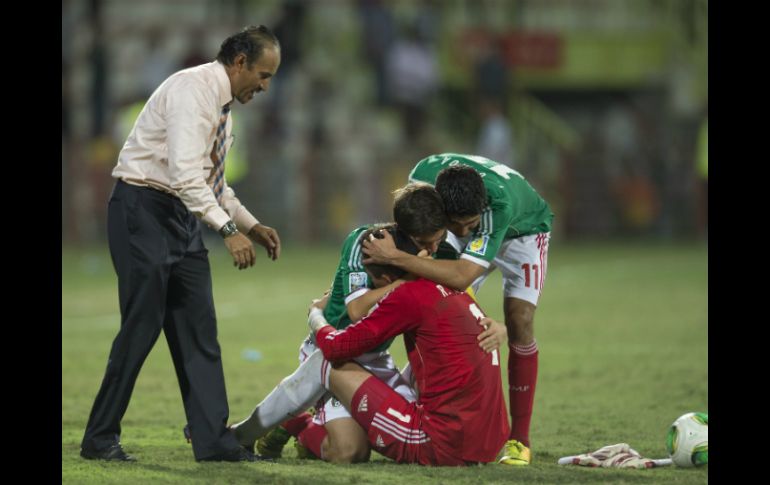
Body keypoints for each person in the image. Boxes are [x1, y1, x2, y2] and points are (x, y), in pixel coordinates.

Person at [80, 25, 282, 463]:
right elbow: (186, 176)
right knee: (142, 326)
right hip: (143, 209)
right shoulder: (194, 90)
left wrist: (251, 224)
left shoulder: (222, 104)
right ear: (240, 62)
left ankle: (212, 440)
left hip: (180, 216)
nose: (265, 86)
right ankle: (99, 437)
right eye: (263, 75)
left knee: (198, 329)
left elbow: (215, 184)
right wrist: (228, 232)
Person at [229, 184, 463, 463]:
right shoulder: (365, 241)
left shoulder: (430, 251)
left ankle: (296, 422)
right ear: (406, 233)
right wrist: (405, 280)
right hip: (333, 352)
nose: (433, 250)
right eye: (425, 244)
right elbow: (357, 310)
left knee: (415, 429)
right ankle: (294, 424)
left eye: (439, 239)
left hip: (375, 358)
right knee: (350, 452)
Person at [362, 153, 554, 466]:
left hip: (523, 232)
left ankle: (519, 440)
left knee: (518, 321)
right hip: (475, 219)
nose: (464, 233)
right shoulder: (422, 178)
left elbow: (463, 274)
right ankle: (410, 403)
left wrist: (396, 257)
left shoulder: (497, 206)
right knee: (434, 306)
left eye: (470, 225)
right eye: (457, 225)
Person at [306, 251, 510, 466]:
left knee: (330, 363)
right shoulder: (456, 287)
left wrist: (316, 315)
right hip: (490, 441)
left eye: (373, 282)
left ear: (386, 279)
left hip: (441, 442)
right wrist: (503, 327)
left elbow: (336, 348)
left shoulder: (409, 295)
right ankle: (328, 415)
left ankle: (292, 422)